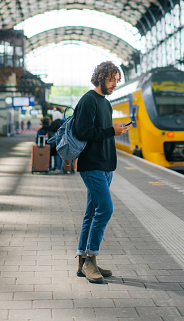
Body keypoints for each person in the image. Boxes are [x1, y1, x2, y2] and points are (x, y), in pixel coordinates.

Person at [73, 61, 131, 283]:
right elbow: (82, 131)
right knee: (105, 209)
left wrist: (115, 131)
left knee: (91, 213)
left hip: (106, 166)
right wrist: (110, 130)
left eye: (117, 80)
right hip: (91, 165)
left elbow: (103, 132)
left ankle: (82, 260)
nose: (115, 84)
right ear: (100, 78)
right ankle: (91, 259)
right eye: (112, 79)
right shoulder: (89, 100)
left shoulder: (105, 104)